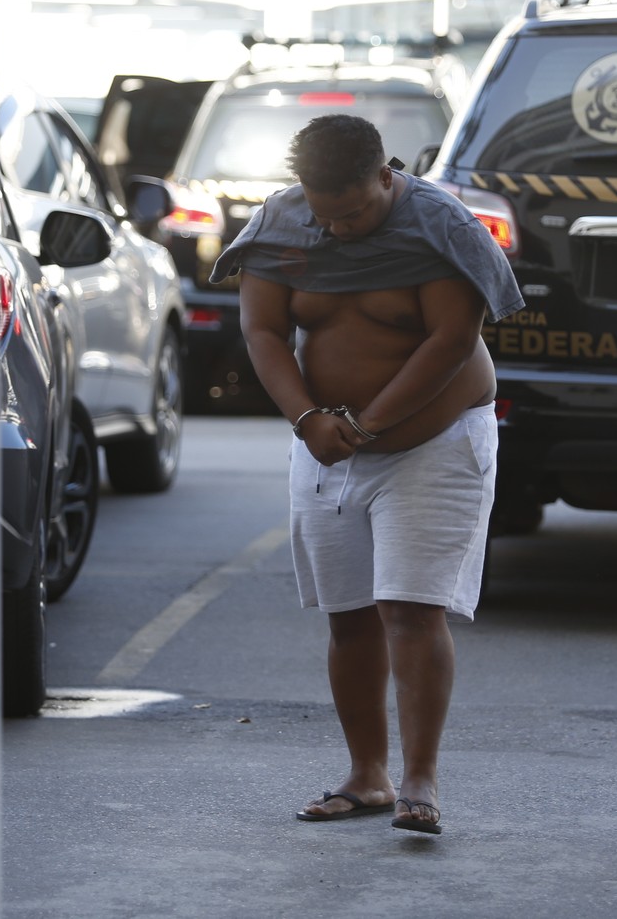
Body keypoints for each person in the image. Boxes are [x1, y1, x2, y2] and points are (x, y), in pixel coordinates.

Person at [210, 114, 523, 837]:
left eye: (354, 212)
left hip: (434, 443)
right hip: (327, 446)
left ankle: (420, 778)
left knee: (411, 611)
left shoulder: (438, 225)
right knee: (349, 617)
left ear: (385, 176)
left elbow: (453, 337)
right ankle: (367, 775)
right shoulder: (282, 225)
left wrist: (373, 420)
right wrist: (306, 419)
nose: (341, 229)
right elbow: (261, 330)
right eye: (327, 216)